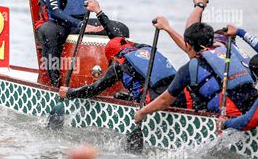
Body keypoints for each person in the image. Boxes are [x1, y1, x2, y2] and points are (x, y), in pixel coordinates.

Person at [134, 21, 258, 124]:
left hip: (232, 120)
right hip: (256, 109)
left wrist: (142, 112)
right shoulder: (228, 52)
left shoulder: (188, 69)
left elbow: (164, 100)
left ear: (188, 45)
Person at [59, 33, 187, 107]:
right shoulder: (147, 49)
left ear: (113, 57)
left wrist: (70, 93)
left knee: (119, 96)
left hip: (154, 102)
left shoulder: (118, 65)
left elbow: (93, 89)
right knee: (121, 95)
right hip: (182, 96)